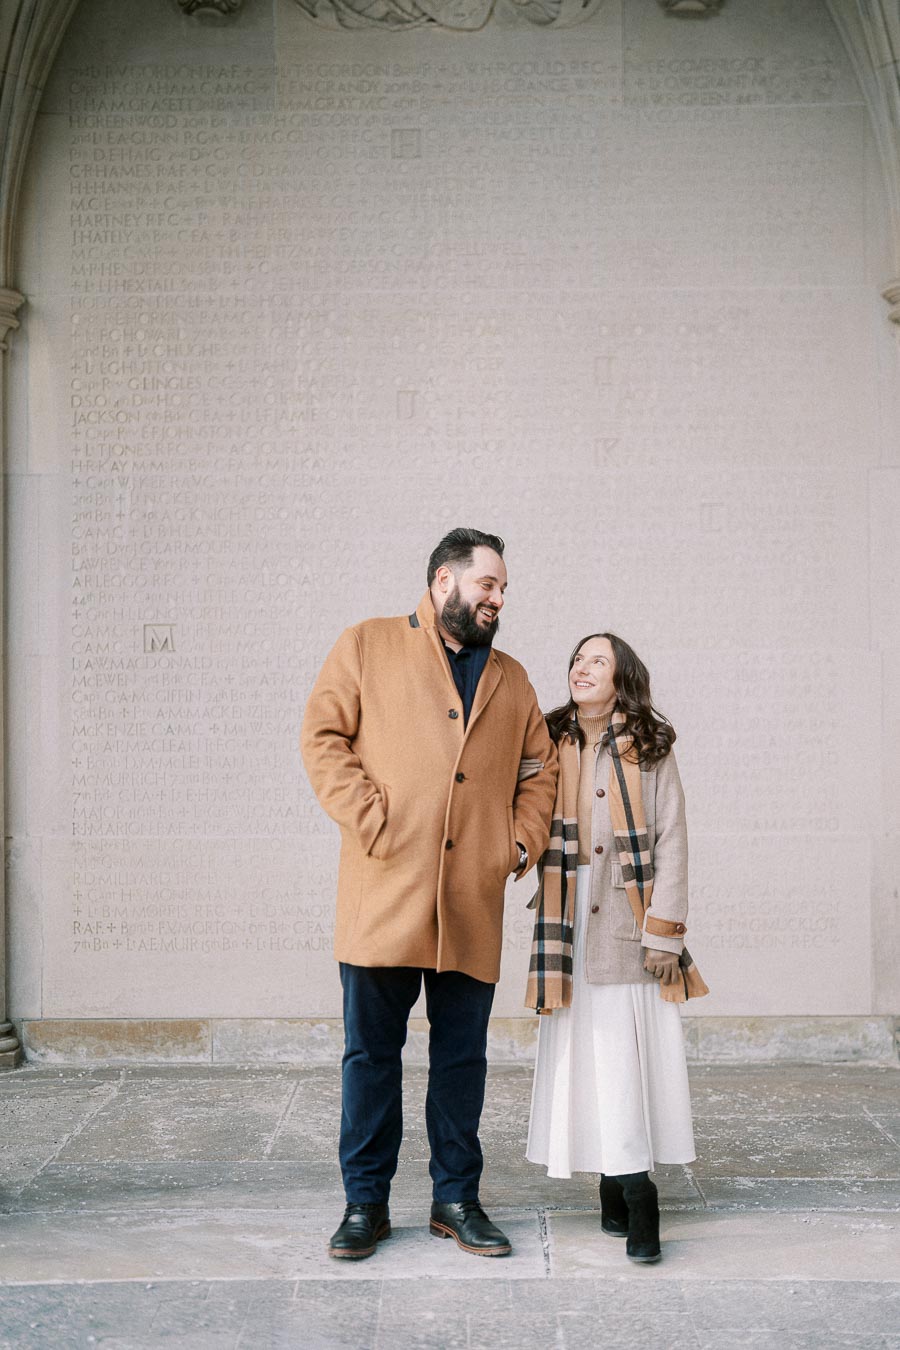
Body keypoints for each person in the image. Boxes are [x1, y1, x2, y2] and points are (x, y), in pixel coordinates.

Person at [302, 527, 558, 1261]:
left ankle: (457, 1199)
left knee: (461, 1059)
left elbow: (539, 769)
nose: (499, 599)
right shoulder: (367, 644)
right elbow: (323, 738)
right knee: (371, 1056)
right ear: (445, 580)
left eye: (503, 589)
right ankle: (364, 1205)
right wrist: (372, 820)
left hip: (471, 899)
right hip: (385, 891)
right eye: (489, 585)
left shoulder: (512, 676)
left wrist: (515, 844)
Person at [525, 633, 707, 1263]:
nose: (582, 667)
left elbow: (673, 838)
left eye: (597, 660)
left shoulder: (650, 744)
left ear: (622, 677)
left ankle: (638, 1193)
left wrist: (664, 930)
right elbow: (525, 809)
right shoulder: (549, 738)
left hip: (628, 927)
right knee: (588, 1060)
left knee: (624, 1061)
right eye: (577, 658)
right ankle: (609, 1178)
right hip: (568, 925)